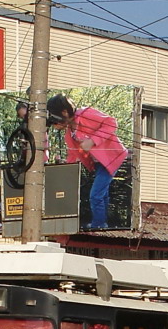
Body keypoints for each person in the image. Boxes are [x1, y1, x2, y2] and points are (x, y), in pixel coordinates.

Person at [46, 93, 128, 229]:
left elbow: (111, 123)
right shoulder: (69, 133)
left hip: (112, 157)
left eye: (55, 119)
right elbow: (73, 153)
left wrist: (92, 141)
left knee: (95, 195)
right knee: (102, 194)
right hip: (98, 163)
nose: (55, 124)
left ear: (64, 112)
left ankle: (99, 224)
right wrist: (67, 168)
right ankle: (104, 222)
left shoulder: (85, 114)